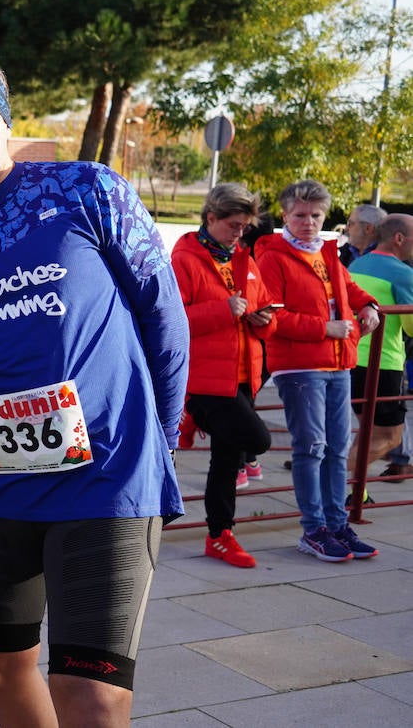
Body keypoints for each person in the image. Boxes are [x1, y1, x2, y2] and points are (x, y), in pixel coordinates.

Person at [0, 50, 188, 727]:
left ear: (4, 121)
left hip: (107, 480)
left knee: (90, 695)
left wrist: (159, 448)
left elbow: (164, 319)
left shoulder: (86, 190)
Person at [254, 179, 381, 563]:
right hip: (300, 366)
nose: (308, 222)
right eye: (300, 215)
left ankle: (337, 523)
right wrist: (323, 327)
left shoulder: (326, 253)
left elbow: (348, 288)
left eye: (315, 216)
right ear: (285, 215)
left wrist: (370, 304)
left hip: (338, 361)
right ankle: (314, 529)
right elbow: (272, 316)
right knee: (311, 448)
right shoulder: (273, 257)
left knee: (338, 448)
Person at [170, 183, 276, 568]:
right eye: (233, 224)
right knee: (257, 439)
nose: (239, 232)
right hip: (205, 378)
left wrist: (265, 319)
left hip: (244, 374)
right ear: (210, 218)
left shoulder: (243, 258)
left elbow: (264, 312)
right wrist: (225, 309)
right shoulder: (184, 258)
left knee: (227, 459)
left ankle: (219, 535)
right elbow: (172, 320)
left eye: (244, 226)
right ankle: (191, 413)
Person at [346, 214, 413, 485]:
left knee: (367, 432)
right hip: (383, 365)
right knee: (389, 437)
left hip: (350, 358)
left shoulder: (357, 263)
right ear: (398, 239)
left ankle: (355, 494)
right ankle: (328, 477)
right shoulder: (404, 274)